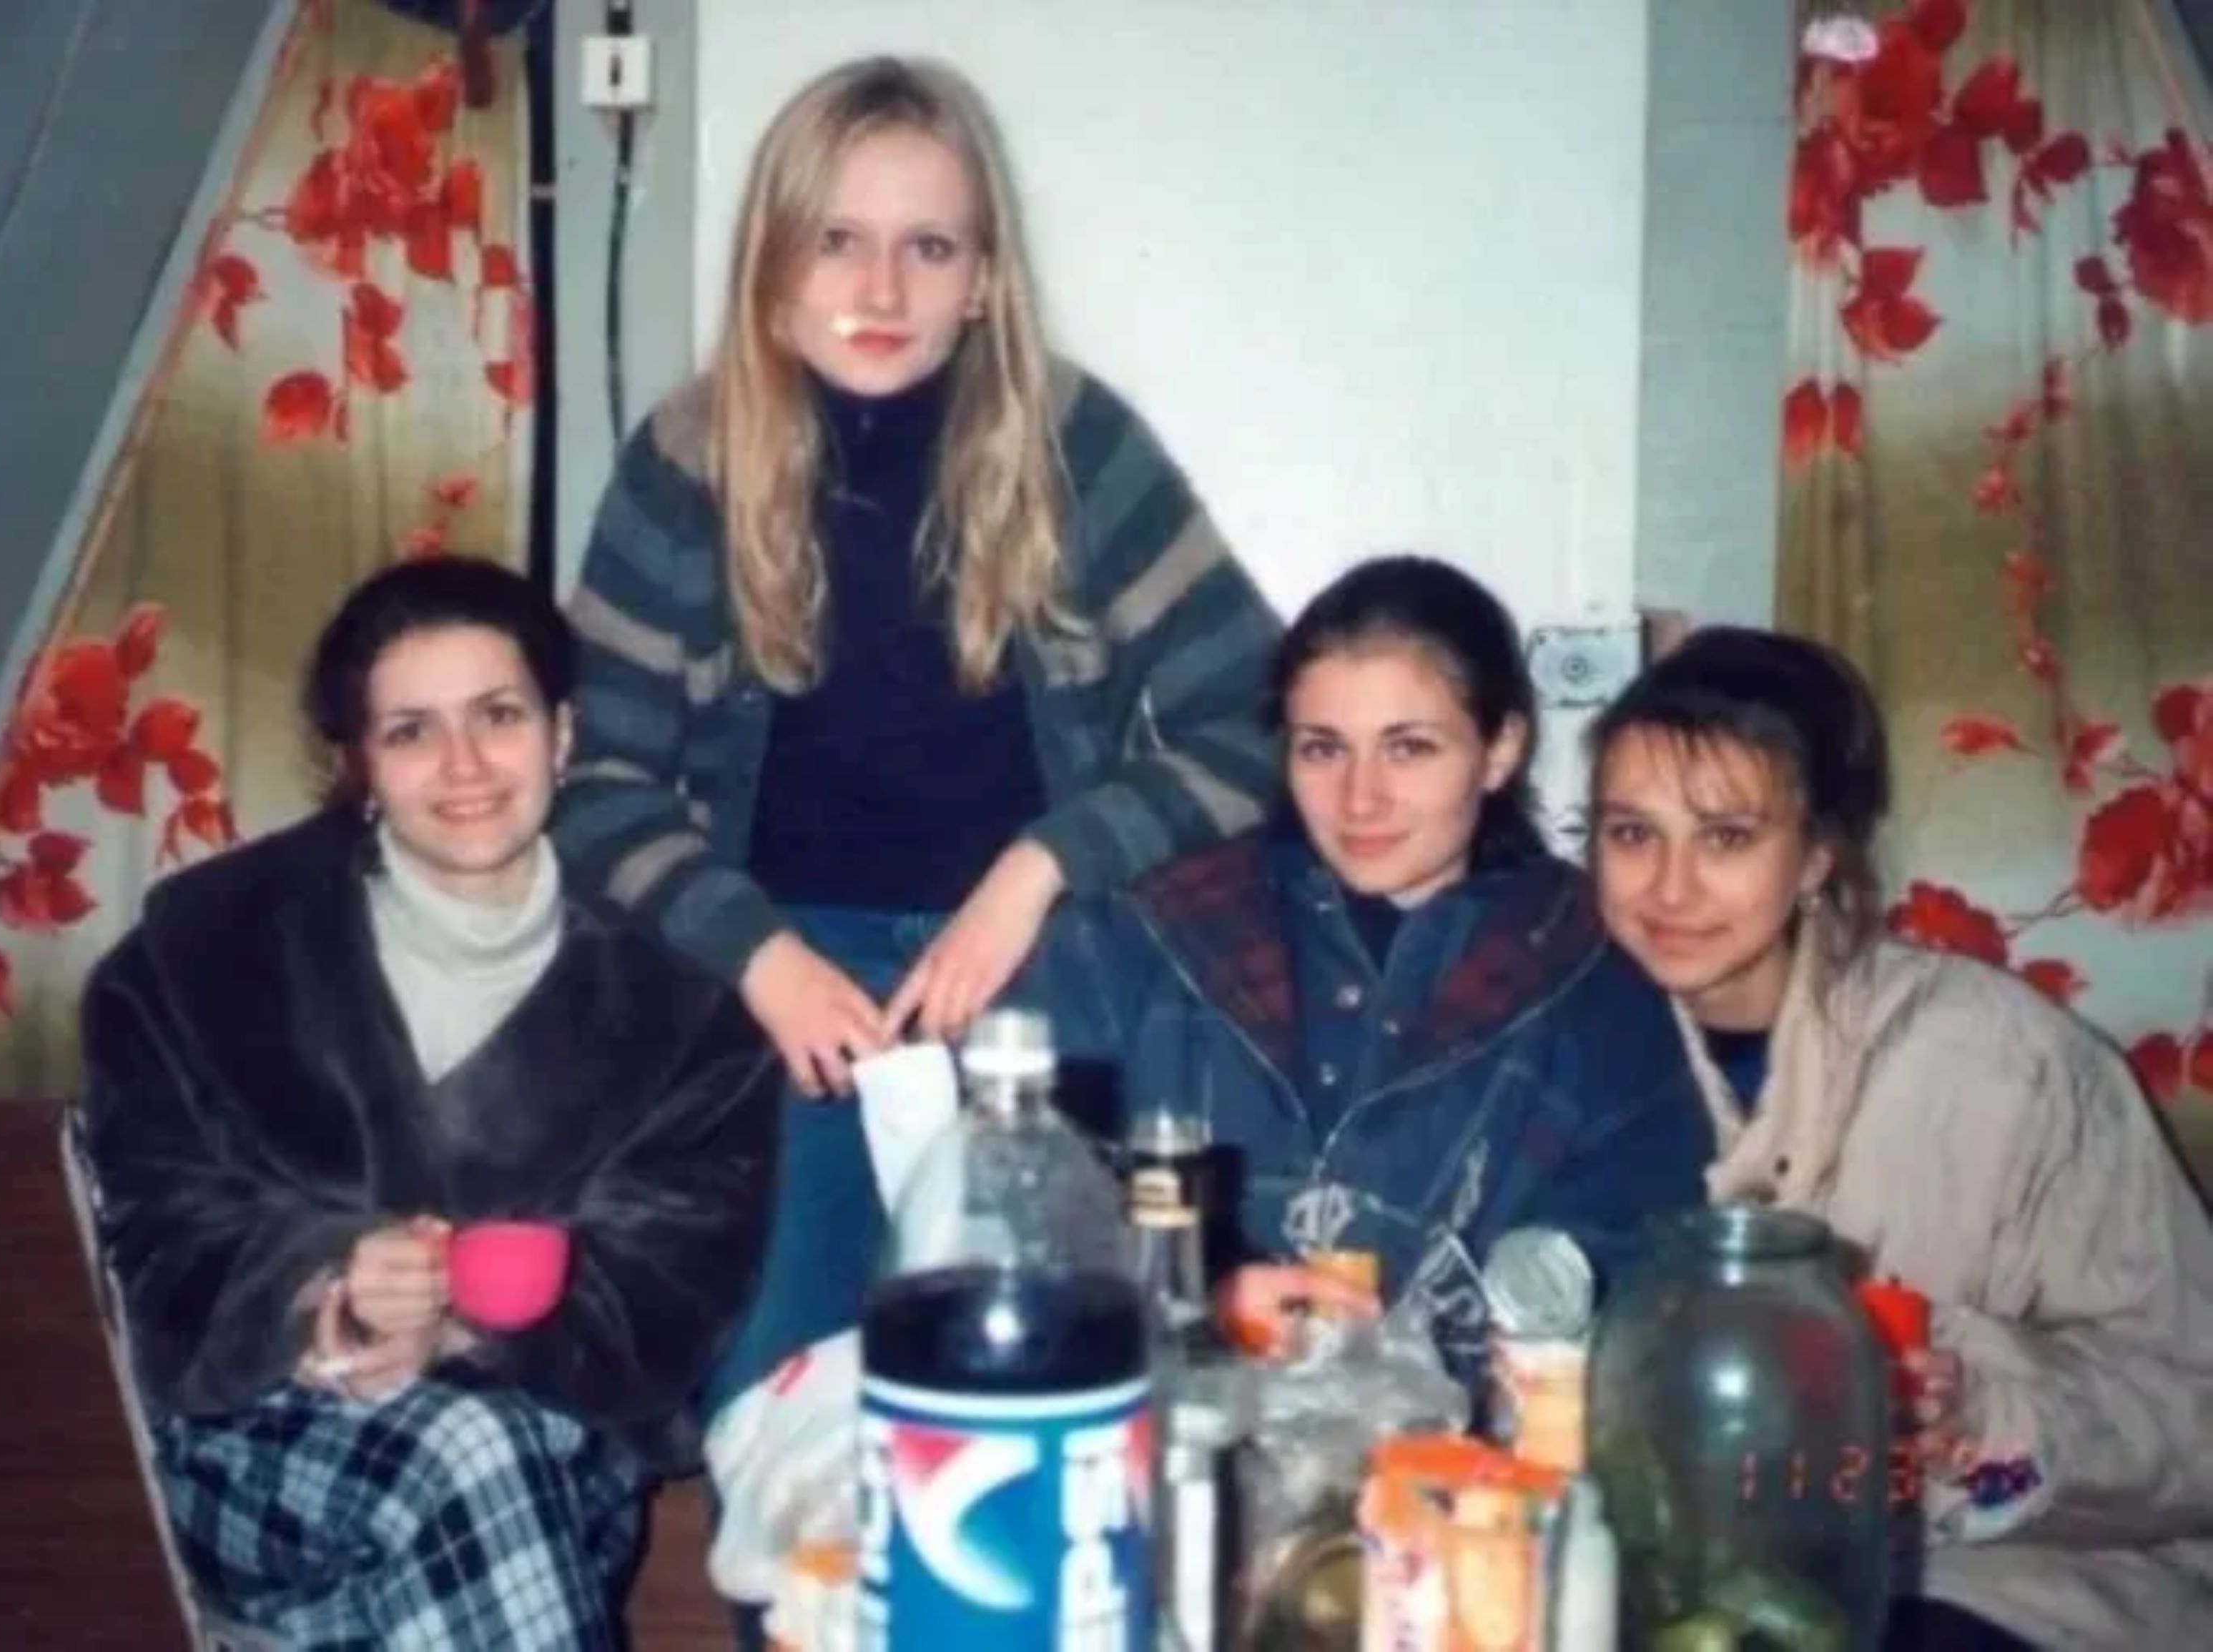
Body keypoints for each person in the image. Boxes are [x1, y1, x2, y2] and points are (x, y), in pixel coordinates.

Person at [553, 54, 1282, 1628]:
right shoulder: (685, 465)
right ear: (772, 265)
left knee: (1048, 1413)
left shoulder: (1076, 446)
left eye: (928, 247)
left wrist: (1036, 870)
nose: (879, 290)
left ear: (983, 277)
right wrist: (758, 954)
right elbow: (592, 782)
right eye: (838, 241)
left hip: (1033, 986)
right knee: (790, 1430)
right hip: (783, 997)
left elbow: (1258, 725)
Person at [77, 555, 779, 1648]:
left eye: (498, 715)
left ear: (562, 733)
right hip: (267, 1450)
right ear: (360, 761)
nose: (464, 765)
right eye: (410, 730)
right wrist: (329, 1281)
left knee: (479, 1452)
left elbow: (670, 1289)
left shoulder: (682, 1001)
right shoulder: (200, 953)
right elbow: (163, 1238)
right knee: (470, 1459)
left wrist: (459, 1323)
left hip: (546, 1452)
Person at [1587, 625, 2213, 1650]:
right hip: (1685, 1580)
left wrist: (1975, 1412)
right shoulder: (1568, 1052)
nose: (1668, 887)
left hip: (1997, 1579)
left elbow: (2195, 1415)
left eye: (1727, 837)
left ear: (1816, 855)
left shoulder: (2000, 1065)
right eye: (1630, 833)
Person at [1089, 555, 1712, 1383]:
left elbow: (1646, 1274)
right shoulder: (1153, 936)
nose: (1360, 799)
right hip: (1167, 1435)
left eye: (1409, 748)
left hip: (1472, 1453)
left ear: (1500, 749)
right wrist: (1200, 1306)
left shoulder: (1589, 973)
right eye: (1322, 748)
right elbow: (1019, 1213)